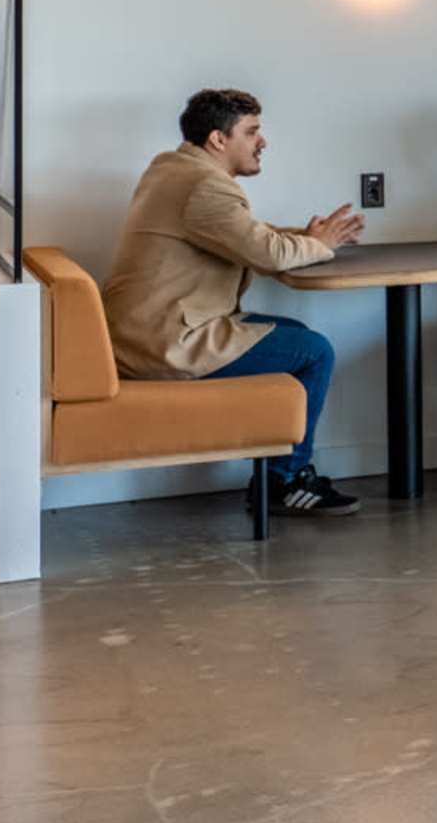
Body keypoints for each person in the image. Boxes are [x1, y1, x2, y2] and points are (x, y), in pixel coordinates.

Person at [104, 87, 365, 516]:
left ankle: (279, 475)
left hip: (142, 330)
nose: (262, 142)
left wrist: (306, 236)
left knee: (296, 337)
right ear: (218, 140)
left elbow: (246, 234)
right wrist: (320, 244)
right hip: (167, 341)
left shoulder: (171, 169)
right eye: (252, 132)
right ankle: (286, 482)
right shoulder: (206, 186)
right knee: (315, 352)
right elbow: (266, 254)